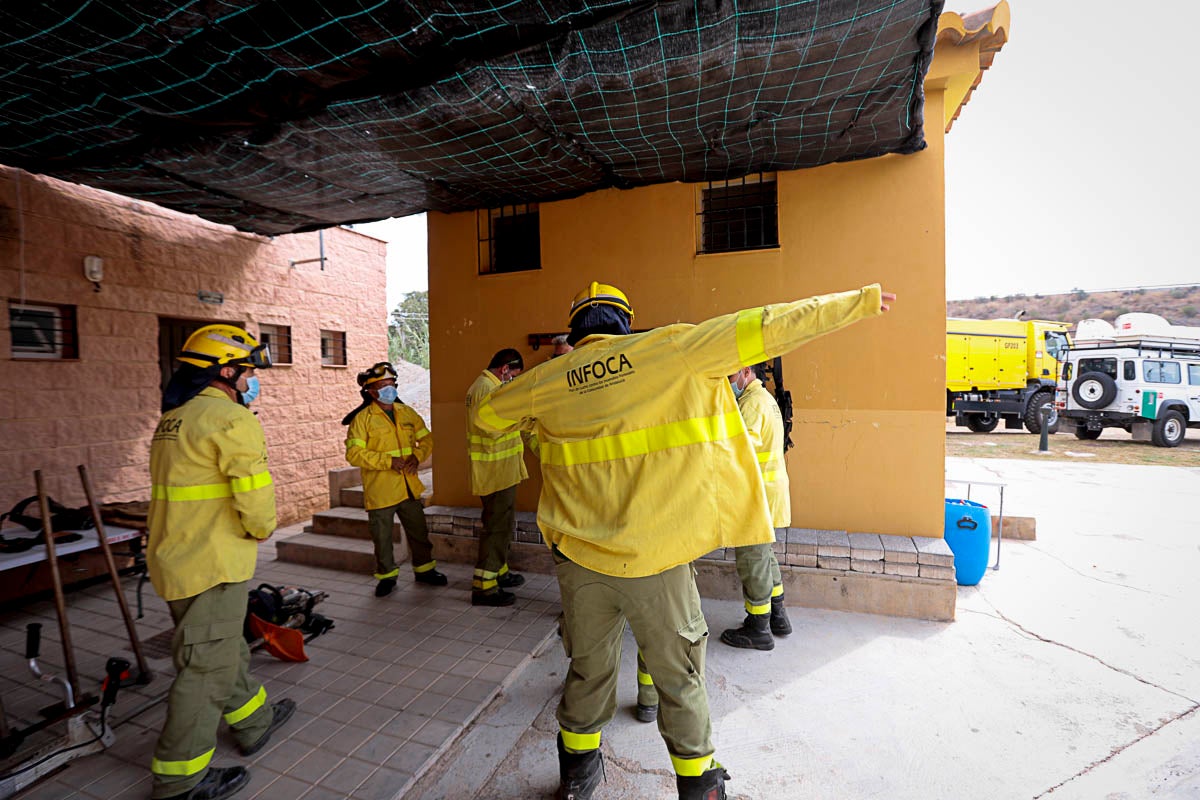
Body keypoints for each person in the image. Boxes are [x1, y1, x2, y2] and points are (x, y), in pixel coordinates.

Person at [471, 281, 896, 800]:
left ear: (577, 331)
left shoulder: (547, 379)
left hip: (580, 562)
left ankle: (577, 778)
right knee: (680, 677)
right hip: (657, 560)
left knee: (586, 671)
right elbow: (767, 322)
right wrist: (859, 300)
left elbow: (487, 416)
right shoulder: (671, 348)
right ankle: (699, 787)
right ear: (625, 322)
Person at [148, 324, 295, 800]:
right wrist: (261, 529)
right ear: (226, 371)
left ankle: (254, 721)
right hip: (213, 564)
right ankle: (178, 781)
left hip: (177, 559)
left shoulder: (174, 419)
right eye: (249, 371)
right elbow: (254, 502)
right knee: (205, 668)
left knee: (222, 649)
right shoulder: (231, 419)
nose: (254, 381)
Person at [344, 361, 445, 597]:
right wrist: (388, 462)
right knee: (383, 538)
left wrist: (416, 457)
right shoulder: (362, 419)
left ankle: (425, 570)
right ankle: (387, 577)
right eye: (383, 385)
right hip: (381, 490)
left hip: (408, 486)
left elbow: (427, 439)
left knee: (419, 533)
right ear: (371, 391)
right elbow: (353, 454)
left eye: (392, 384)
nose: (390, 390)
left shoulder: (406, 413)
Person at [465, 348, 530, 607]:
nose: (513, 381)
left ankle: (499, 571)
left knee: (500, 523)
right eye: (513, 375)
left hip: (500, 470)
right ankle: (484, 586)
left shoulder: (485, 386)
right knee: (497, 527)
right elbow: (492, 427)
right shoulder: (486, 389)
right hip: (495, 471)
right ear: (505, 369)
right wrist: (523, 419)